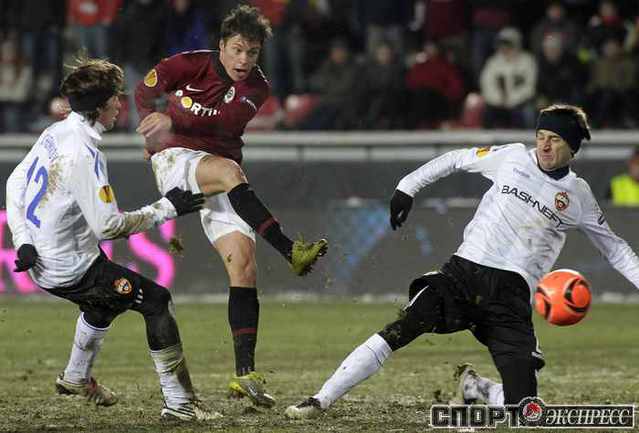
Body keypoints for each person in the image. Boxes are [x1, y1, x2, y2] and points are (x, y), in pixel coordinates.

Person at [285, 104, 639, 418]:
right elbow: (455, 158)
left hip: (510, 300)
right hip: (464, 275)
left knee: (524, 410)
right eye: (541, 136)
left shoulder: (578, 196)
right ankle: (320, 399)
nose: (544, 146)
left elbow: (615, 249)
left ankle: (476, 387)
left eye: (555, 140)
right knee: (401, 328)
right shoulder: (513, 156)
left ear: (572, 148)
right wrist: (407, 186)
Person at [134, 4, 328, 408]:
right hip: (176, 160)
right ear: (221, 45)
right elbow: (144, 91)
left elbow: (221, 124)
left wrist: (173, 119)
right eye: (237, 49)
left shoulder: (257, 88)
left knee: (244, 264)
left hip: (221, 171)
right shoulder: (189, 64)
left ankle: (245, 375)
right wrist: (153, 123)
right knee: (229, 172)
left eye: (252, 52)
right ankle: (290, 250)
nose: (243, 60)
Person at [5, 57, 217, 421]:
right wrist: (168, 207)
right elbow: (108, 227)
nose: (121, 104)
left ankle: (75, 378)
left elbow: (15, 182)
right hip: (70, 268)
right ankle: (181, 404)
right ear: (101, 106)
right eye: (116, 97)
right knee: (157, 301)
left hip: (43, 257)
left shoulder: (56, 132)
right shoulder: (84, 156)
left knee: (103, 303)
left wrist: (23, 239)